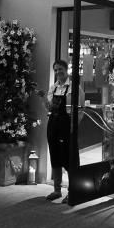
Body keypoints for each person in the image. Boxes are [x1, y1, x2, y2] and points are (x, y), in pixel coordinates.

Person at [37, 60, 79, 203]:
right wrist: (43, 98)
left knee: (67, 158)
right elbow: (50, 108)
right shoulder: (53, 88)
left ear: (66, 70)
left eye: (60, 69)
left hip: (66, 126)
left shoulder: (74, 87)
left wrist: (74, 127)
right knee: (55, 157)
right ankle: (57, 190)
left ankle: (72, 191)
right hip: (53, 125)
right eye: (55, 70)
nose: (58, 72)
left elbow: (79, 110)